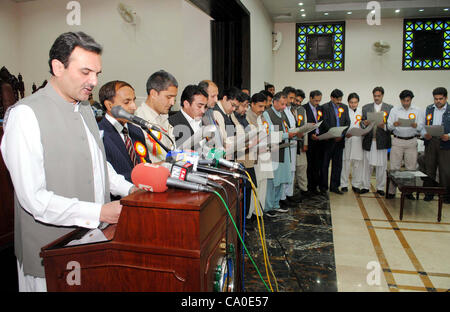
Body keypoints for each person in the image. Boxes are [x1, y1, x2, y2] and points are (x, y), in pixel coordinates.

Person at [0, 32, 137, 292]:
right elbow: (34, 199)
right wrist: (99, 212)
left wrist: (130, 190)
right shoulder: (25, 115)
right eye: (86, 72)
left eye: (97, 73)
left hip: (92, 242)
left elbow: (98, 165)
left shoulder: (85, 108)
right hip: (49, 256)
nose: (94, 81)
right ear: (57, 67)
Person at [98, 80, 150, 187]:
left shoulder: (137, 131)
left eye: (133, 101)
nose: (134, 107)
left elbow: (146, 163)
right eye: (127, 102)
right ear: (109, 105)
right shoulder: (100, 134)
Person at [263, 92, 300, 217]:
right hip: (273, 150)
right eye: (282, 104)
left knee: (281, 179)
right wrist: (287, 135)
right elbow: (270, 134)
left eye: (285, 104)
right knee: (272, 180)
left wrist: (295, 132)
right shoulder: (267, 113)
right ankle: (268, 207)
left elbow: (286, 128)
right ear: (275, 101)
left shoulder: (282, 113)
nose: (284, 107)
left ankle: (276, 204)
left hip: (284, 149)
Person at [386, 90, 423, 199]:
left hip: (411, 141)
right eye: (403, 101)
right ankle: (391, 191)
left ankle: (408, 192)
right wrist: (394, 124)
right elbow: (389, 126)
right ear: (400, 100)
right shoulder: (394, 110)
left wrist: (416, 125)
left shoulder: (418, 110)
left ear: (411, 100)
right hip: (397, 140)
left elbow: (421, 127)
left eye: (408, 100)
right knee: (394, 167)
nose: (406, 103)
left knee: (411, 168)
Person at [135, 70, 178, 163]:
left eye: (174, 98)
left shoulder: (164, 116)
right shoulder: (138, 120)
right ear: (153, 94)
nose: (172, 102)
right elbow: (143, 164)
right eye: (169, 97)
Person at [360, 86, 393, 195]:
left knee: (381, 165)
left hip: (382, 140)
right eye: (375, 96)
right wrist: (364, 123)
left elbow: (391, 126)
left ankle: (380, 187)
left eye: (378, 96)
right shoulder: (366, 108)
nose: (376, 98)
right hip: (369, 140)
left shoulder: (389, 108)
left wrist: (384, 125)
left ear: (382, 95)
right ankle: (365, 186)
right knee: (367, 165)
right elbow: (361, 123)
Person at [246, 92, 273, 222]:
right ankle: (250, 214)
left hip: (265, 153)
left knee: (264, 184)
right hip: (254, 155)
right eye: (260, 106)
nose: (262, 109)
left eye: (264, 106)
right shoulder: (247, 116)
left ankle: (259, 212)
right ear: (252, 104)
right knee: (255, 185)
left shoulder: (262, 117)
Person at [319, 89, 351, 194]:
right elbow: (324, 123)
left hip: (340, 141)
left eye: (340, 99)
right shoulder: (325, 107)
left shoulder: (344, 107)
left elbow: (347, 122)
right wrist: (333, 134)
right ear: (332, 98)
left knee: (337, 165)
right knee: (325, 164)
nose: (339, 101)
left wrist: (341, 134)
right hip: (328, 141)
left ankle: (334, 186)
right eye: (337, 99)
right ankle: (323, 187)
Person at [422, 87, 450, 204]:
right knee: (429, 168)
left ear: (446, 98)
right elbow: (423, 125)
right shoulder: (429, 109)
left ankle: (446, 195)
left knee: (445, 170)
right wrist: (425, 134)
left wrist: (449, 136)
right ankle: (429, 193)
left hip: (445, 142)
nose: (438, 101)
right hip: (431, 141)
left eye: (440, 99)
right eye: (436, 99)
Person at [279, 86, 301, 208]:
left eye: (293, 98)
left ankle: (289, 194)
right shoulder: (281, 111)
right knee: (285, 172)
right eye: (291, 98)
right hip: (286, 143)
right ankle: (283, 197)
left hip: (293, 143)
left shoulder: (291, 110)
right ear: (285, 96)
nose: (292, 101)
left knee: (292, 171)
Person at [169, 84, 208, 149]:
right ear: (186, 104)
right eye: (199, 106)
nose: (203, 111)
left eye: (205, 107)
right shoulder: (172, 124)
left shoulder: (204, 121)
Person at [340, 93, 364, 193]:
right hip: (348, 140)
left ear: (358, 102)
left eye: (355, 102)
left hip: (358, 140)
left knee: (357, 163)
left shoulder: (361, 112)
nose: (353, 104)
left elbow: (363, 125)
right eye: (351, 102)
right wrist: (345, 134)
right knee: (346, 163)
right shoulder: (345, 111)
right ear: (348, 102)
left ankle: (356, 184)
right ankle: (344, 184)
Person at [303, 90, 325, 196]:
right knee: (309, 165)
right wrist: (311, 133)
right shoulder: (304, 108)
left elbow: (322, 122)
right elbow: (302, 125)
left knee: (317, 165)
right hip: (309, 141)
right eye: (315, 100)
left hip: (319, 141)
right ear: (310, 98)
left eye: (319, 100)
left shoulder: (320, 109)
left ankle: (314, 187)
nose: (317, 103)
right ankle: (307, 187)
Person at [198, 80, 223, 151]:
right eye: (213, 96)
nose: (216, 100)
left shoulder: (210, 112)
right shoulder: (197, 115)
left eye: (217, 96)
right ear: (203, 95)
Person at [294, 89, 308, 197]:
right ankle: (292, 191)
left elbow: (305, 127)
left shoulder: (302, 110)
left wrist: (305, 143)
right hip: (291, 143)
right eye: (296, 100)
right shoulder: (287, 110)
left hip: (301, 143)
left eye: (300, 101)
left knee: (302, 166)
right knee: (292, 169)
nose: (298, 103)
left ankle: (304, 189)